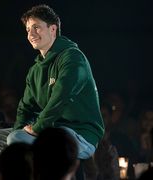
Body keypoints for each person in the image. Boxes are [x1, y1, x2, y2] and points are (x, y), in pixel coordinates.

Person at [6, 4, 104, 161]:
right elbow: (25, 108)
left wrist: (36, 128)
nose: (30, 34)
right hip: (51, 130)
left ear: (53, 29)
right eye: (28, 30)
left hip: (79, 133)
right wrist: (19, 130)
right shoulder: (35, 70)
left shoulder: (72, 57)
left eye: (36, 27)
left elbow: (61, 97)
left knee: (14, 140)